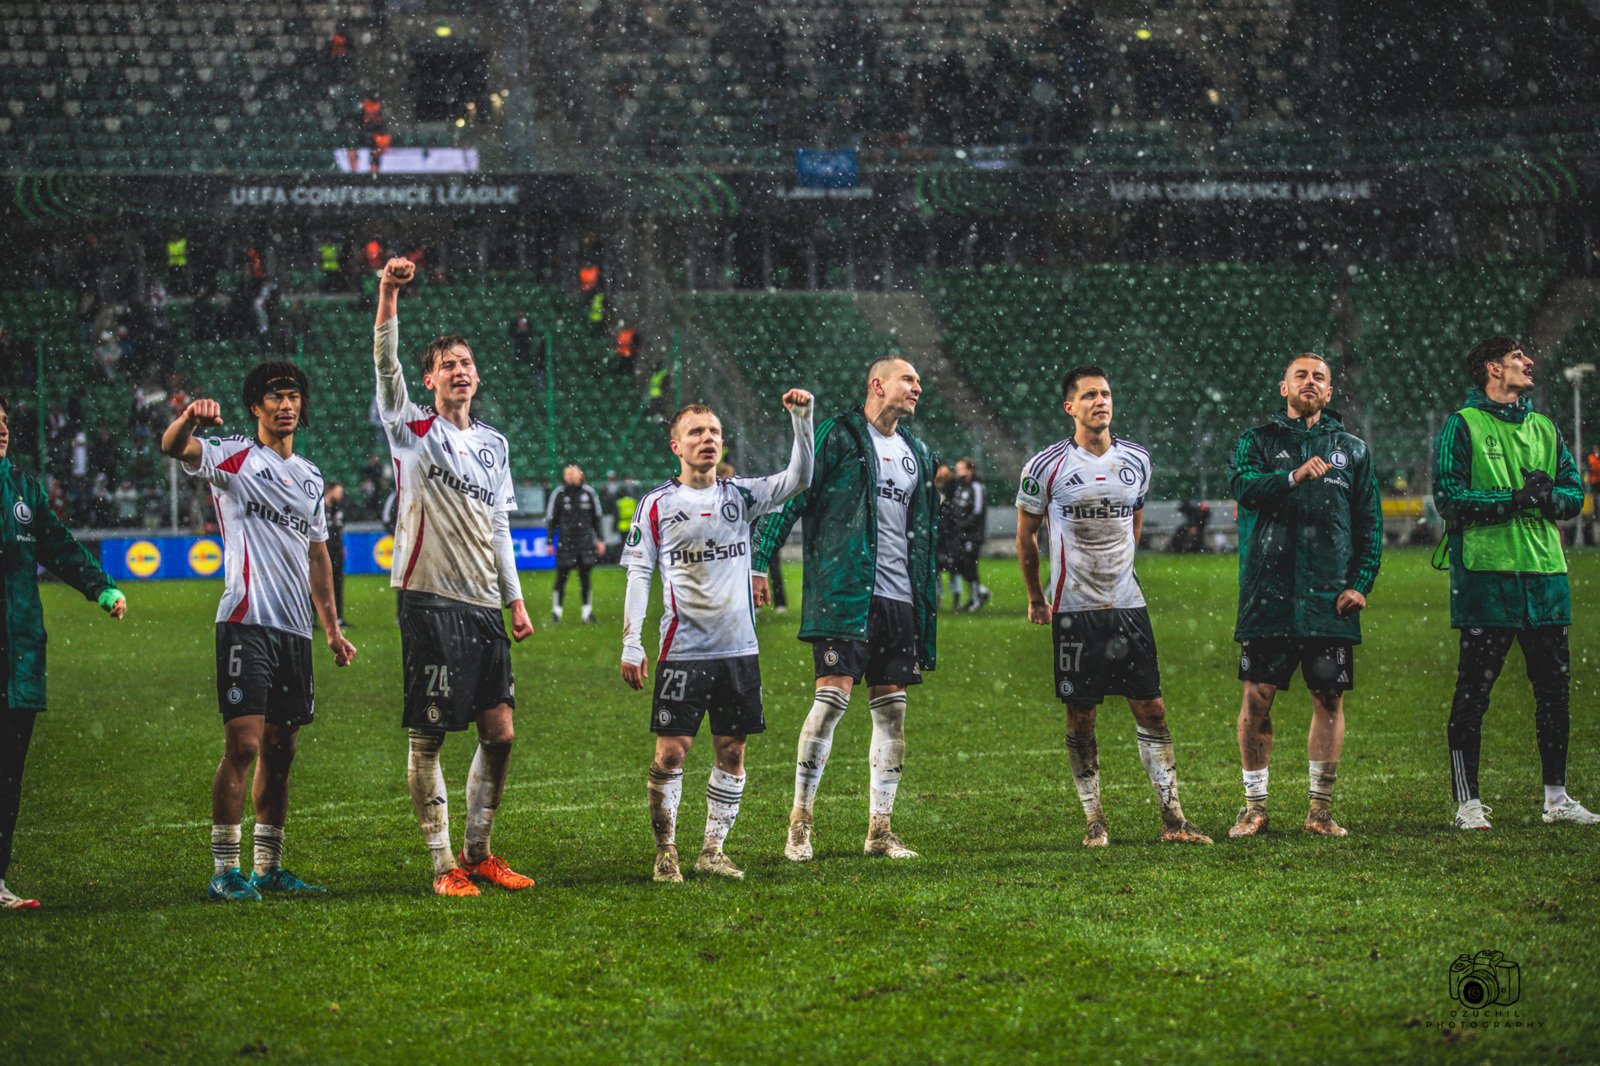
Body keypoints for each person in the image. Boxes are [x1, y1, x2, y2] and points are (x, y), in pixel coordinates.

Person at [373, 257, 537, 897]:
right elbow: (385, 367)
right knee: (431, 734)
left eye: (466, 363)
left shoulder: (494, 445)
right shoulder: (412, 428)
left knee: (500, 733)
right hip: (429, 600)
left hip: (482, 605)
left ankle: (478, 853)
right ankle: (442, 865)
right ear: (429, 379)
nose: (460, 372)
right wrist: (389, 293)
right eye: (447, 365)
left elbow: (499, 527)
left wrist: (514, 601)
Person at [161, 364, 356, 901]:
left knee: (283, 750)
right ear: (256, 406)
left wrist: (332, 629)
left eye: (294, 396)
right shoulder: (235, 457)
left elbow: (318, 556)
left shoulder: (312, 478)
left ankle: (269, 867)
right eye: (276, 397)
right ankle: (225, 869)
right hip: (245, 621)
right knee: (243, 745)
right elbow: (174, 447)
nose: (286, 405)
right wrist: (188, 419)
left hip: (295, 631)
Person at [752, 357, 941, 862]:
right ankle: (800, 823)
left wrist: (926, 601)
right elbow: (790, 496)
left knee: (893, 712)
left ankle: (879, 831)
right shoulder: (838, 435)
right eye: (909, 379)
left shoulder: (919, 454)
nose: (918, 387)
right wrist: (758, 562)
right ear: (878, 385)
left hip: (898, 600)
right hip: (843, 590)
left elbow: (922, 534)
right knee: (831, 702)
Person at [621, 391, 814, 882]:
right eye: (696, 433)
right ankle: (666, 851)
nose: (707, 440)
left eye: (714, 433)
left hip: (739, 651)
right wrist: (631, 641)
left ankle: (712, 849)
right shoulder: (657, 504)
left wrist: (802, 420)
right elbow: (640, 574)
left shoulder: (740, 495)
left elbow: (799, 479)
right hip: (682, 651)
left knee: (732, 750)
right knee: (672, 752)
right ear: (676, 446)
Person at [1016, 366, 1210, 847]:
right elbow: (1027, 535)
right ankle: (1095, 820)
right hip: (1074, 611)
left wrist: (1118, 573)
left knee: (1154, 709)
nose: (1100, 402)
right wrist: (1036, 597)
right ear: (1070, 407)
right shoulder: (1045, 467)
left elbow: (1135, 523)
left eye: (1105, 393)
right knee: (1081, 714)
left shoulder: (1137, 460)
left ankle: (1173, 819)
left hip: (1128, 605)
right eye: (1089, 396)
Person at [1434, 337, 1595, 829]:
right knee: (1473, 694)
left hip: (1546, 576)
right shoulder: (1462, 425)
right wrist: (1514, 500)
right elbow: (1449, 499)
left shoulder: (1545, 427)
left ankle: (1556, 799)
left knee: (1554, 693)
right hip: (1488, 578)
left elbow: (1574, 496)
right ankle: (1468, 803)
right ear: (1492, 369)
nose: (1528, 363)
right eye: (1518, 358)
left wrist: (1548, 499)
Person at [1227, 353, 1382, 839]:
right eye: (1301, 376)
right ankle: (1254, 807)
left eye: (1319, 378)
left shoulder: (1352, 450)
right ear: (1284, 387)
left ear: (1330, 392)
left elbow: (1369, 523)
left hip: (1327, 597)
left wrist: (1360, 582)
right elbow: (1243, 488)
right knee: (1258, 698)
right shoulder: (1257, 441)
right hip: (1268, 594)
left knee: (1329, 696)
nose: (1310, 382)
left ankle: (1319, 810)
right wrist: (1293, 477)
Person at [0, 394, 127, 910]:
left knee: (8, 777)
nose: (0, 429)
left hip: (21, 656)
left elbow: (59, 547)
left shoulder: (24, 489)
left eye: (4, 420)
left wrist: (102, 588)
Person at [545, 464, 605, 624]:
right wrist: (549, 541)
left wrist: (600, 539)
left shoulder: (589, 493)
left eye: (573, 474)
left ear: (580, 475)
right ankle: (556, 613)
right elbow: (551, 519)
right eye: (567, 474)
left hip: (585, 544)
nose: (570, 476)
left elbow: (597, 518)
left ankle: (587, 613)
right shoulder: (558, 494)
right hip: (566, 544)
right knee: (560, 579)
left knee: (585, 579)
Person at [951, 456, 991, 611]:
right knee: (960, 565)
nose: (957, 472)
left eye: (960, 469)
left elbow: (977, 511)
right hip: (961, 534)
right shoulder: (961, 487)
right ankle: (980, 592)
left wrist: (963, 525)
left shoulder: (976, 487)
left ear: (969, 470)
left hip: (972, 535)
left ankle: (975, 600)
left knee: (970, 566)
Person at [325, 482, 347, 627]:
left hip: (337, 551)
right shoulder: (319, 508)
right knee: (318, 585)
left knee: (338, 584)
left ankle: (338, 618)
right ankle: (312, 618)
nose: (341, 495)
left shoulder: (339, 509)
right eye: (339, 491)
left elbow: (339, 530)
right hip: (323, 552)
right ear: (330, 491)